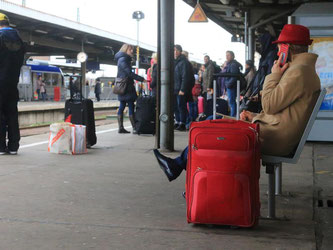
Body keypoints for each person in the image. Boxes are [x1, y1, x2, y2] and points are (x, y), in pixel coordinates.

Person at [153, 24, 321, 182]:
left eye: (279, 47)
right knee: (213, 122)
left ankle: (197, 179)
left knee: (214, 131)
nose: (277, 53)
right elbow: (283, 111)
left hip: (274, 139)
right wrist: (254, 116)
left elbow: (270, 105)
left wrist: (274, 74)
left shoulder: (298, 72)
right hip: (275, 133)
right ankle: (190, 175)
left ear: (287, 48)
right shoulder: (302, 71)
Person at [0, 13, 25, 155]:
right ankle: (14, 146)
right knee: (12, 113)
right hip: (13, 82)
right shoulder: (19, 40)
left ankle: (1, 147)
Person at [114, 44, 146, 134]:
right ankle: (135, 128)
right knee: (131, 105)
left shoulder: (122, 58)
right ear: (125, 50)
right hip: (126, 86)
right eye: (130, 49)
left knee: (122, 106)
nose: (132, 51)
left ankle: (121, 128)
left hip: (122, 86)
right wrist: (141, 79)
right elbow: (129, 73)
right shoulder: (124, 59)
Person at [173, 45, 193, 131]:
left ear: (180, 51)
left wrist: (183, 89)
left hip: (180, 88)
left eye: (176, 50)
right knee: (176, 106)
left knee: (181, 106)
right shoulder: (175, 61)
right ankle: (177, 121)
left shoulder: (184, 62)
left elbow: (185, 76)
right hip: (175, 88)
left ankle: (183, 123)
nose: (175, 52)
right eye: (174, 50)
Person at [224, 51, 243, 117]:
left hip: (232, 86)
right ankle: (234, 115)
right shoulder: (231, 64)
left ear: (232, 56)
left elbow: (234, 76)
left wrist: (228, 84)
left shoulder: (233, 64)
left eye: (228, 55)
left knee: (232, 102)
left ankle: (233, 116)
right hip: (231, 86)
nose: (226, 57)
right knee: (232, 102)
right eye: (226, 55)